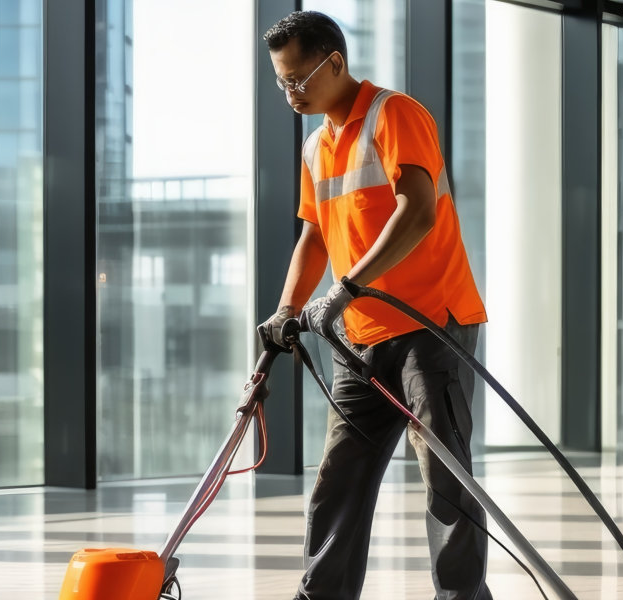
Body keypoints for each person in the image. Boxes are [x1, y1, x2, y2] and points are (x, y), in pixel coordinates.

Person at [255, 11, 491, 600]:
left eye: (298, 80)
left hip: (426, 325)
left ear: (334, 63)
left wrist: (346, 288)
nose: (289, 93)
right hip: (356, 341)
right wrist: (287, 310)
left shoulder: (395, 114)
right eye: (281, 82)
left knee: (445, 479)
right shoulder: (316, 147)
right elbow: (315, 236)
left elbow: (417, 211)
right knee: (341, 477)